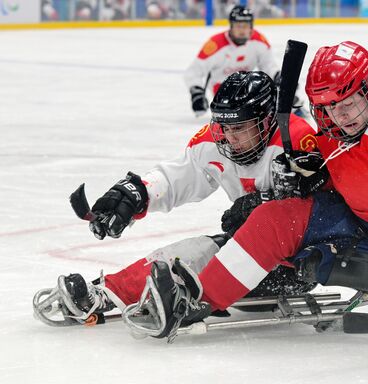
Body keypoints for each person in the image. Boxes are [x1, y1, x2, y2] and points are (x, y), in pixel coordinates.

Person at [134, 41, 368, 340]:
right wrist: (311, 174)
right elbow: (345, 153)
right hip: (359, 212)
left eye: (347, 105)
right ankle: (227, 279)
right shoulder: (347, 105)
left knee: (278, 222)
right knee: (272, 215)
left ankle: (198, 301)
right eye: (327, 109)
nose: (338, 117)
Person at [33, 71, 322, 326]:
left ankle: (177, 295)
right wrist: (135, 194)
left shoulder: (297, 141)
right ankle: (105, 294)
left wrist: (269, 202)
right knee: (196, 252)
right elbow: (177, 178)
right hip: (244, 251)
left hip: (295, 268)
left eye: (239, 128)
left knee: (205, 252)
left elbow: (327, 210)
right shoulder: (215, 141)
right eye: (225, 127)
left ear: (267, 120)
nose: (229, 138)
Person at [183, 5, 279, 117]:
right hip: (221, 91)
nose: (242, 30)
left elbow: (269, 65)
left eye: (246, 26)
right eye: (238, 26)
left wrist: (279, 77)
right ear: (231, 26)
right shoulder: (215, 44)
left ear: (251, 27)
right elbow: (193, 72)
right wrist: (197, 94)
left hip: (246, 87)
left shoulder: (259, 41)